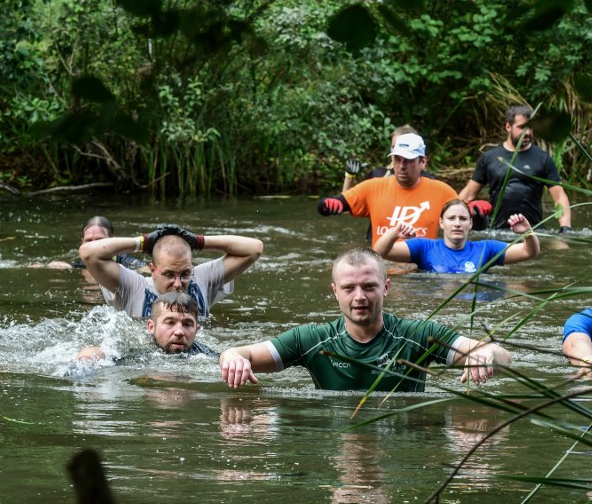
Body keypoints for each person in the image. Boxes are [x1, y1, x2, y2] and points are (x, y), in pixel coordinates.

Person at [219, 247, 511, 392]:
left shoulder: (420, 334)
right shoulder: (310, 339)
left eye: (369, 286)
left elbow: (503, 356)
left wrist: (486, 355)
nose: (359, 296)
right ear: (335, 292)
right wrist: (232, 357)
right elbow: (240, 353)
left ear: (385, 287)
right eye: (349, 288)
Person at [79, 224, 263, 320]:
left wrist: (199, 241)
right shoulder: (134, 286)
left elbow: (254, 248)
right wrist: (142, 242)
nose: (178, 284)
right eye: (168, 274)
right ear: (152, 270)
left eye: (185, 274)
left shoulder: (201, 280)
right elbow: (88, 253)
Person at [318, 133, 457, 245]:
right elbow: (339, 202)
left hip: (421, 271)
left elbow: (467, 219)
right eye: (397, 159)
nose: (401, 166)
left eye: (408, 160)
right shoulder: (373, 187)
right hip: (381, 269)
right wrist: (328, 204)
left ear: (423, 162)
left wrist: (476, 211)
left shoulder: (442, 191)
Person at [459, 105, 573, 232]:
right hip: (497, 232)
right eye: (522, 127)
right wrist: (449, 217)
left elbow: (559, 197)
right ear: (508, 127)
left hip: (534, 232)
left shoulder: (543, 159)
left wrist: (565, 228)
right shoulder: (489, 157)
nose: (528, 132)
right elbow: (468, 194)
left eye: (530, 127)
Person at [373, 198, 540, 273]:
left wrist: (528, 232)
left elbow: (529, 252)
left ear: (471, 224)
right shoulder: (424, 247)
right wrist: (394, 233)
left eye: (463, 218)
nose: (457, 223)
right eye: (451, 218)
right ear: (441, 223)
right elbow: (380, 252)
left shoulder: (486, 249)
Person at [78, 292, 215, 360]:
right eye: (170, 322)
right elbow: (105, 352)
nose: (179, 332)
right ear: (151, 327)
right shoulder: (137, 347)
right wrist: (91, 356)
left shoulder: (204, 354)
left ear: (197, 329)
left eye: (187, 324)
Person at [44, 216, 146, 270]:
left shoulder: (126, 261)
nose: (93, 246)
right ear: (82, 242)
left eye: (99, 240)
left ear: (113, 241)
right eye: (88, 240)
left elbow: (145, 269)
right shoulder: (80, 263)